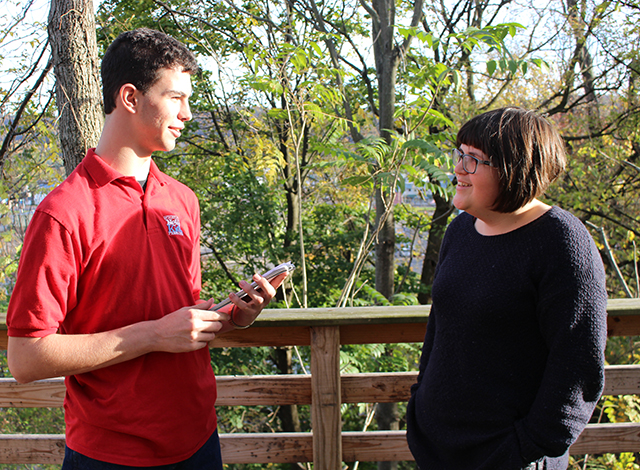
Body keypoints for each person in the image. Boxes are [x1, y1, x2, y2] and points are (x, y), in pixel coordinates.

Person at [6, 28, 285, 469]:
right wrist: (153, 334)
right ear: (131, 98)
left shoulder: (182, 200)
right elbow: (26, 357)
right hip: (109, 454)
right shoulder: (64, 212)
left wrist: (232, 317)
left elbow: (180, 319)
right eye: (176, 98)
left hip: (198, 441)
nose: (188, 114)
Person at [406, 107, 608, 470]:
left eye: (473, 160)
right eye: (460, 155)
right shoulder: (461, 230)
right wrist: (420, 404)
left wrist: (526, 449)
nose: (458, 168)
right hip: (438, 451)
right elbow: (440, 328)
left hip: (511, 459)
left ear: (515, 169)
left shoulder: (562, 242)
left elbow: (578, 367)